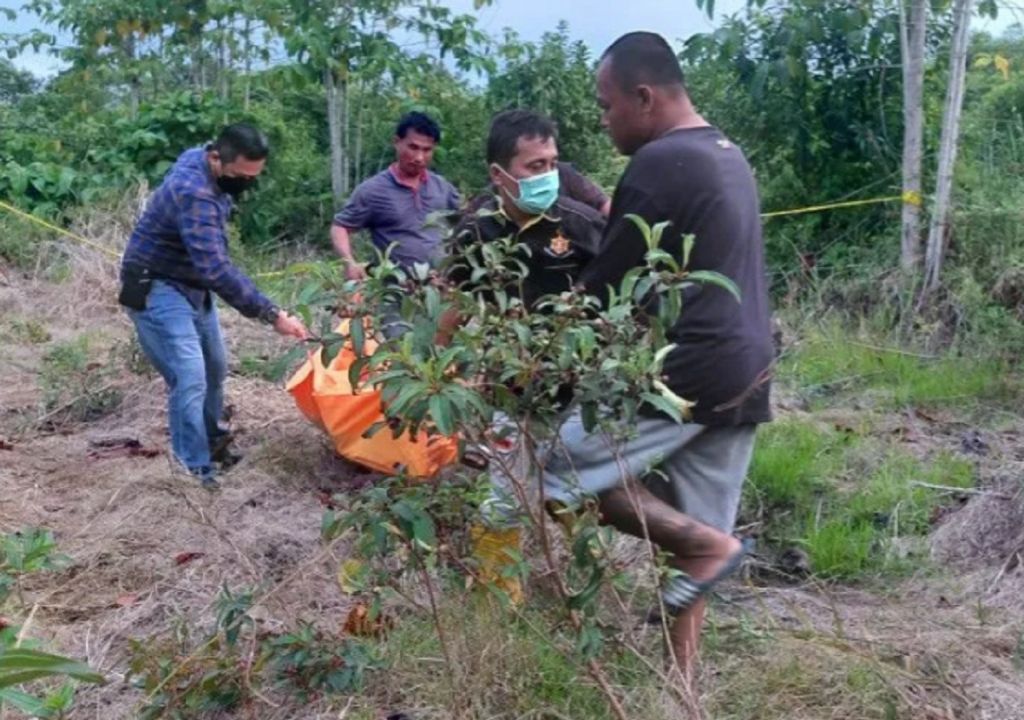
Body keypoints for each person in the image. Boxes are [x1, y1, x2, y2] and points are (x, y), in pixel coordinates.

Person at [541, 31, 775, 677]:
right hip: (748, 367)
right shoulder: (725, 152)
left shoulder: (661, 161)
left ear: (644, 97)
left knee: (555, 469)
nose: (604, 117)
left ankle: (707, 547)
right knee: (691, 549)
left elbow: (607, 289)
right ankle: (684, 692)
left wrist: (539, 367)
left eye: (607, 103)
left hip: (690, 367)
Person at [447, 109, 606, 604]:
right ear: (499, 175)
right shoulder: (475, 232)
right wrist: (434, 377)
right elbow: (453, 307)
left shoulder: (579, 224)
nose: (548, 176)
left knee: (578, 496)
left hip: (578, 393)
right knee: (505, 498)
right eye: (534, 167)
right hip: (508, 392)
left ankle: (591, 591)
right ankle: (499, 600)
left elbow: (621, 298)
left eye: (553, 164)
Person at [119, 123, 310, 489]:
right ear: (215, 159)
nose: (244, 186)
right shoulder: (194, 194)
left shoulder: (203, 160)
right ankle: (193, 470)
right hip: (155, 286)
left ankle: (214, 443)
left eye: (252, 178)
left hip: (191, 285)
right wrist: (272, 315)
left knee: (215, 367)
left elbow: (208, 267)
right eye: (240, 177)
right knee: (189, 374)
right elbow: (216, 268)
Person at [331, 111, 461, 281]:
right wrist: (349, 263)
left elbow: (466, 220)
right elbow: (340, 227)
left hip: (441, 291)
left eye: (427, 150)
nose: (419, 157)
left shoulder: (442, 187)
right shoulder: (373, 190)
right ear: (397, 142)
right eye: (413, 147)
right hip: (394, 293)